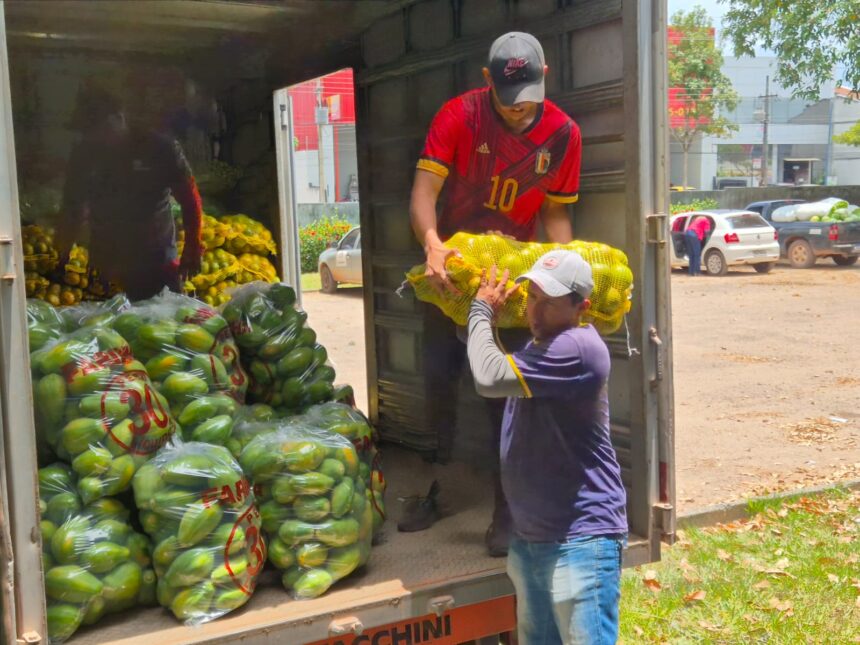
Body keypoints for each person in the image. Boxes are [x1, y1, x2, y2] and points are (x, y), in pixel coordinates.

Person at [405, 31, 582, 555]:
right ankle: (435, 487)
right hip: (451, 274)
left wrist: (562, 275)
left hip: (510, 280)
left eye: (528, 97)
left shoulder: (563, 133)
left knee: (504, 395)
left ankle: (507, 514)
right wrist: (433, 245)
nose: (519, 108)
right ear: (487, 81)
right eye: (508, 100)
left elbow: (555, 211)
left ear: (545, 75)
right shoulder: (459, 116)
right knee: (439, 378)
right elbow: (424, 191)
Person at [466, 250, 627, 645]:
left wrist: (480, 312)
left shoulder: (576, 348)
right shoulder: (542, 346)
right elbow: (499, 366)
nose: (534, 312)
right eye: (532, 297)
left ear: (580, 307)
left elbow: (489, 377)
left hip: (580, 539)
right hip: (533, 540)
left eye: (549, 303)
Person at [58, 85, 203, 301]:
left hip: (156, 262)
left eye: (100, 128)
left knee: (161, 318)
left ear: (119, 118)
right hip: (106, 263)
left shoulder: (160, 148)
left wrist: (193, 247)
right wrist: (61, 258)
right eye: (88, 131)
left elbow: (190, 199)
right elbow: (73, 208)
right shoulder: (84, 154)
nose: (95, 137)